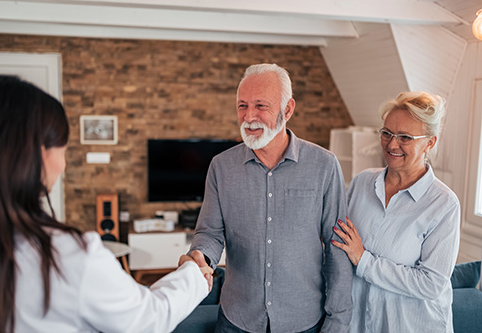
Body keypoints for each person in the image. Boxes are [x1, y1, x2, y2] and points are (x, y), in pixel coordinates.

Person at [0, 75, 213, 333]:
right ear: (39, 155)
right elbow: (149, 318)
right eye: (63, 149)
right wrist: (194, 272)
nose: (64, 164)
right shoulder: (67, 256)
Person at [186, 63, 353, 333]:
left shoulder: (324, 165)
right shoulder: (221, 166)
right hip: (237, 319)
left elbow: (338, 249)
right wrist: (200, 255)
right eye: (242, 106)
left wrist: (338, 321)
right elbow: (210, 232)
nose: (249, 117)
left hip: (304, 320)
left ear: (287, 109)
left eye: (261, 106)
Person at [332, 91, 460, 333]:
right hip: (358, 324)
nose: (392, 144)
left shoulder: (443, 204)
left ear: (429, 142)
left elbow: (431, 284)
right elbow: (340, 243)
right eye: (387, 133)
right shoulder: (361, 183)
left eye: (405, 137)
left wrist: (364, 260)